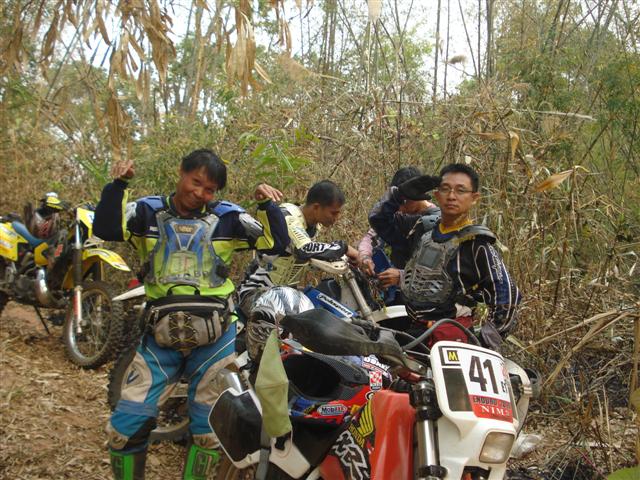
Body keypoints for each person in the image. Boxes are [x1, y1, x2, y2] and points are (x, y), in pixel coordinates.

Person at [93, 149, 288, 480]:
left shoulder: (229, 217)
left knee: (207, 434)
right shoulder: (146, 211)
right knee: (124, 429)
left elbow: (276, 244)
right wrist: (117, 186)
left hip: (216, 340)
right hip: (160, 339)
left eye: (210, 189)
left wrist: (267, 205)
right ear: (181, 172)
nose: (200, 193)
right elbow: (107, 228)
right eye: (196, 182)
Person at [369, 163, 521, 349]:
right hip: (415, 330)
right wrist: (399, 195)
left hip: (451, 338)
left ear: (474, 198)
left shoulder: (476, 244)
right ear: (437, 194)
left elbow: (508, 297)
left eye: (460, 190)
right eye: (445, 189)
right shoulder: (424, 230)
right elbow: (378, 220)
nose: (451, 196)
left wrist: (483, 343)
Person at [237, 179, 359, 315]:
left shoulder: (312, 226)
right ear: (316, 207)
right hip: (255, 293)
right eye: (334, 213)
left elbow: (309, 256)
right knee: (299, 320)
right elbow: (304, 249)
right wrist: (345, 248)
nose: (337, 218)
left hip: (283, 292)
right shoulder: (287, 216)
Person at [358, 167, 440, 300]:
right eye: (398, 202)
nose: (401, 207)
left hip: (425, 300)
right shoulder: (399, 216)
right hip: (398, 294)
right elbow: (373, 231)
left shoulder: (435, 222)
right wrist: (365, 257)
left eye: (406, 201)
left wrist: (402, 277)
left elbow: (438, 272)